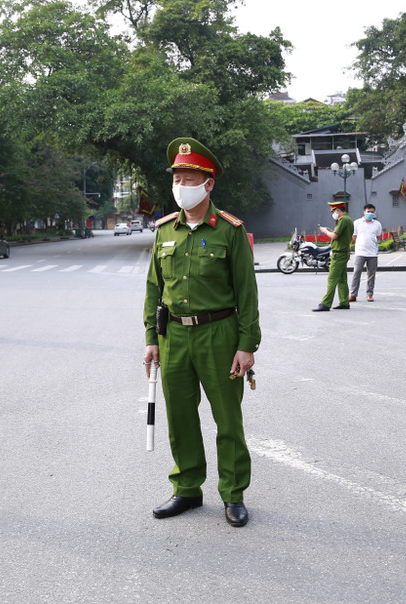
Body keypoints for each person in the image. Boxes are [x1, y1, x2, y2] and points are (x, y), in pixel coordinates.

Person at [143, 137, 261, 528]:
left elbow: (247, 293)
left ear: (208, 184)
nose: (181, 186)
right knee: (180, 417)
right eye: (177, 178)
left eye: (189, 179)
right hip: (174, 337)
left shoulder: (230, 230)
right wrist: (151, 338)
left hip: (219, 334)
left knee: (228, 419)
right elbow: (154, 288)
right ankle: (187, 488)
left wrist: (247, 345)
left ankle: (233, 494)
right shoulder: (165, 231)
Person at [313, 200, 353, 312]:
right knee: (342, 279)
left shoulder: (343, 220)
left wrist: (325, 231)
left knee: (332, 279)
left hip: (339, 254)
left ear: (338, 210)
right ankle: (344, 302)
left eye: (333, 211)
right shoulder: (348, 219)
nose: (333, 214)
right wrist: (330, 231)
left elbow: (335, 236)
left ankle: (326, 304)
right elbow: (339, 234)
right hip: (344, 252)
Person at [350, 204, 382, 303]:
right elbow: (354, 236)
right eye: (368, 211)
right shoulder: (357, 223)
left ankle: (369, 294)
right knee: (356, 273)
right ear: (364, 212)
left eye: (372, 212)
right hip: (360, 252)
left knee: (371, 275)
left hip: (372, 253)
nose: (370, 213)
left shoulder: (377, 224)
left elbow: (378, 237)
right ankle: (353, 294)